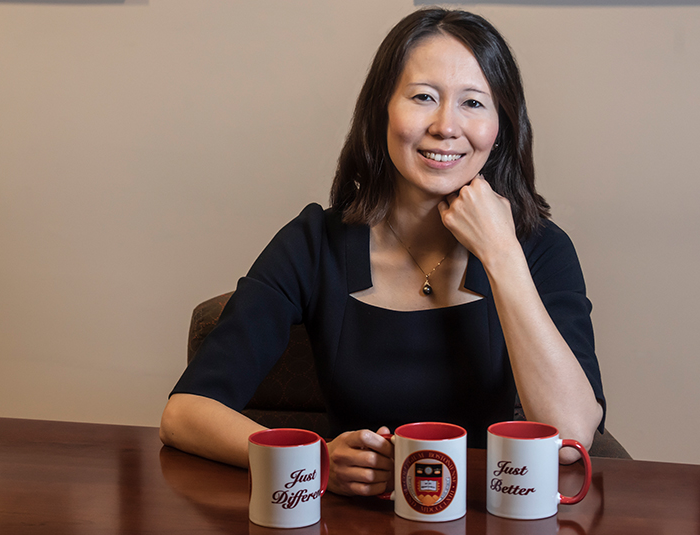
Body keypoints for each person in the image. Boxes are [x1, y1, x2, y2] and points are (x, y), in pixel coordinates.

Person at [159, 8, 605, 497]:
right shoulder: (314, 243)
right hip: (350, 518)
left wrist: (501, 254)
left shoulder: (540, 248)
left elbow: (570, 439)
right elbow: (184, 414)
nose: (445, 126)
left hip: (486, 515)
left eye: (474, 103)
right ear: (382, 110)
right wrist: (317, 460)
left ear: (501, 126)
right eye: (423, 98)